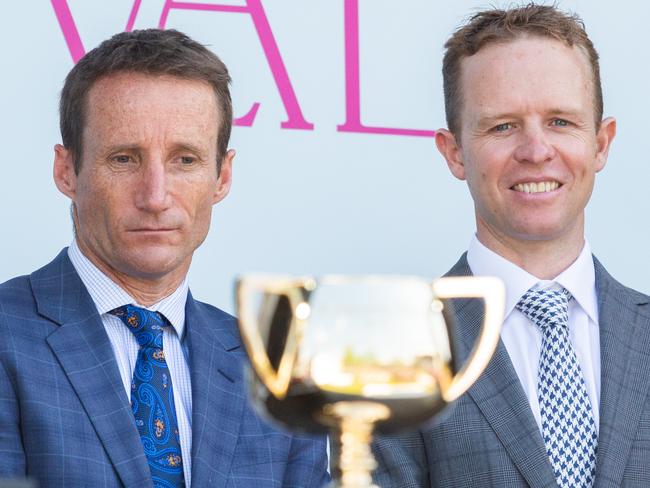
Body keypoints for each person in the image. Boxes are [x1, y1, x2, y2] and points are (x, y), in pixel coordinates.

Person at [0, 29, 329, 487]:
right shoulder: (6, 335)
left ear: (222, 176)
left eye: (185, 160)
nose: (156, 197)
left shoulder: (276, 369)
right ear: (66, 171)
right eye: (124, 159)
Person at [373, 4, 650, 487]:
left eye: (561, 121)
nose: (537, 150)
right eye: (503, 126)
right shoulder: (393, 349)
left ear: (601, 142)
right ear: (454, 151)